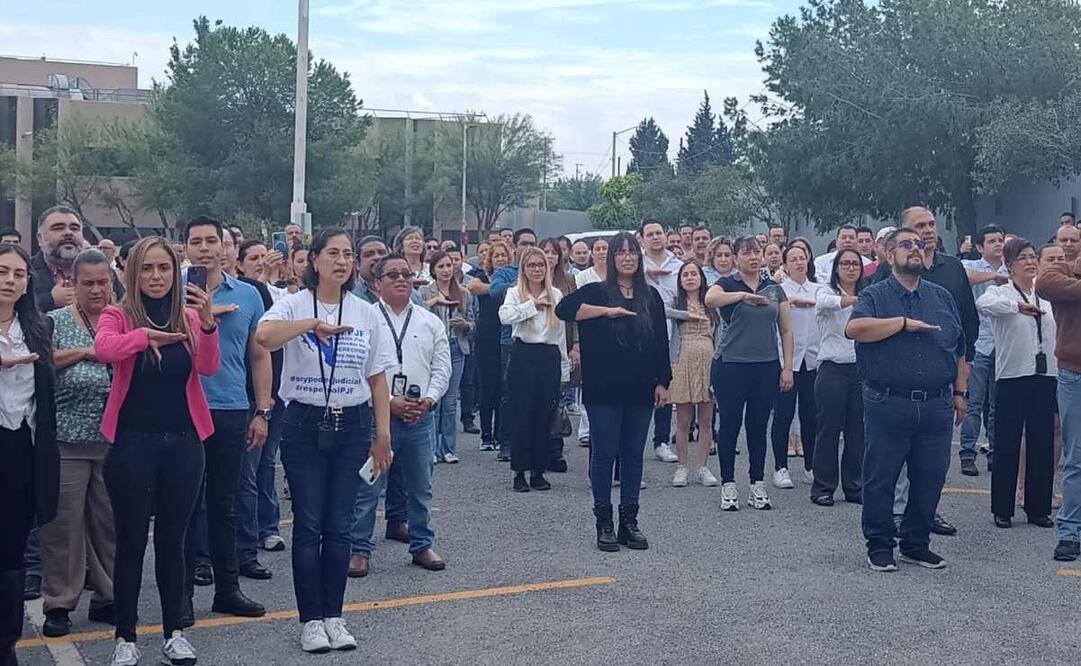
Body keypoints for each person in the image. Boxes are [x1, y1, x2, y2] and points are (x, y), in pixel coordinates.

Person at [255, 229, 395, 653]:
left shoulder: (366, 312)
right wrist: (310, 325)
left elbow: (377, 378)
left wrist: (382, 436)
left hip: (352, 425)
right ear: (313, 260)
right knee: (309, 524)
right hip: (303, 423)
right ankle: (310, 619)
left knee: (341, 527)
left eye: (348, 254)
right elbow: (263, 338)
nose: (341, 261)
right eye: (332, 253)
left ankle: (334, 615)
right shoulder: (294, 304)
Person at [95, 237, 219, 666]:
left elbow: (207, 367)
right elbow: (104, 349)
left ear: (175, 272)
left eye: (164, 268)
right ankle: (125, 637)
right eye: (147, 269)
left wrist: (205, 324)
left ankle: (174, 632)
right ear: (133, 273)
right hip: (132, 443)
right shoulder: (117, 314)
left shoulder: (186, 317)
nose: (156, 277)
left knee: (173, 541)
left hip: (184, 443)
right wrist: (141, 336)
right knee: (130, 542)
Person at [846, 228, 967, 573]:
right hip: (889, 402)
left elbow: (958, 348)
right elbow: (855, 330)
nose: (916, 249)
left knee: (930, 477)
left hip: (936, 404)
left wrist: (960, 393)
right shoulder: (875, 295)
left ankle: (916, 544)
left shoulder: (941, 297)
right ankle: (880, 544)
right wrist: (901, 324)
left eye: (919, 244)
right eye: (906, 245)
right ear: (888, 254)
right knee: (881, 478)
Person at [556, 232, 670, 552]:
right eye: (620, 253)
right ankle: (603, 521)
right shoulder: (594, 291)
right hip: (604, 386)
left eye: (632, 252)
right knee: (604, 454)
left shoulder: (652, 297)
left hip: (641, 386)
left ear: (639, 256)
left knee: (634, 455)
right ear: (611, 258)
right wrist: (606, 312)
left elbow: (661, 341)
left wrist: (663, 381)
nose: (627, 258)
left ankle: (629, 521)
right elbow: (563, 311)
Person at [868, 207, 978, 537]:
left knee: (931, 464)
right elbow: (866, 321)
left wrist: (962, 382)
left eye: (930, 224)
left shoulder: (952, 268)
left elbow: (966, 322)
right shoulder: (890, 273)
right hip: (896, 385)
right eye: (919, 227)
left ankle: (926, 514)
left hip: (940, 380)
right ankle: (897, 514)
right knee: (894, 461)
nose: (927, 231)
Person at [181, 217, 270, 623]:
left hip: (232, 408)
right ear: (184, 248)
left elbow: (259, 355)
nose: (203, 248)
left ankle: (228, 589)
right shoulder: (169, 290)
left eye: (210, 241)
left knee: (225, 503)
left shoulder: (250, 295)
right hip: (180, 408)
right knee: (181, 504)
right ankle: (180, 593)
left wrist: (262, 410)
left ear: (224, 247)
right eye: (195, 241)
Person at [350, 254, 450, 578]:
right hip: (378, 415)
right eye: (392, 274)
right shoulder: (364, 319)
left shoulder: (429, 320)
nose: (401, 279)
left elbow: (442, 366)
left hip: (420, 417)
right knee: (368, 486)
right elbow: (356, 370)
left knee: (421, 486)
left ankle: (422, 545)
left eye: (406, 274)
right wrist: (389, 401)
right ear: (377, 283)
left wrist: (430, 400)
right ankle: (359, 550)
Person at [39, 250, 116, 639]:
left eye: (103, 282)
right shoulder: (53, 322)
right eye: (88, 283)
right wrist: (87, 351)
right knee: (62, 527)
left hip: (114, 441)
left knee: (109, 524)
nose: (97, 289)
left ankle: (108, 596)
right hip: (66, 441)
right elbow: (42, 361)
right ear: (73, 283)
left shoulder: (123, 319)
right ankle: (59, 602)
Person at [0, 244, 59, 666]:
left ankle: (6, 643)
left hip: (24, 446)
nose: (10, 280)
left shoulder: (37, 327)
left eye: (18, 274)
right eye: (2, 272)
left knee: (13, 548)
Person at [706, 237, 794, 511]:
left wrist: (787, 366)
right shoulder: (728, 284)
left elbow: (786, 330)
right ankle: (728, 483)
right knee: (730, 425)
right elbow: (710, 298)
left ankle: (757, 482)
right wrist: (742, 296)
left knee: (758, 426)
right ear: (736, 257)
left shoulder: (774, 288)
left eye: (757, 252)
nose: (753, 257)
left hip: (765, 365)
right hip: (730, 365)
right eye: (746, 253)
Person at [977, 238, 1057, 529]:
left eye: (1033, 256)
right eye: (1023, 257)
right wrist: (1017, 306)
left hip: (1045, 374)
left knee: (1041, 441)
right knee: (1008, 442)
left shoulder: (1046, 295)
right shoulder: (1000, 293)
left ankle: (1038, 507)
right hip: (1013, 374)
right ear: (1010, 265)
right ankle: (1002, 507)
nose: (1030, 261)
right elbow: (984, 304)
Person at [499, 247, 569, 491]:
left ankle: (539, 470)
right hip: (523, 355)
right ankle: (520, 471)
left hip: (548, 356)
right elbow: (505, 316)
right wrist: (532, 305)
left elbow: (560, 333)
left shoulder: (557, 294)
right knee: (522, 415)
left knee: (544, 415)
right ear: (524, 269)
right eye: (532, 265)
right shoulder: (515, 292)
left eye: (541, 265)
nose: (537, 269)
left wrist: (564, 367)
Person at [1035, 236, 1081, 562]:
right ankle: (1069, 532)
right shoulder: (1058, 272)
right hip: (1073, 374)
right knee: (1075, 459)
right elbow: (1043, 284)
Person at [812, 249, 865, 506]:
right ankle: (823, 487)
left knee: (858, 432)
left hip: (861, 370)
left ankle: (854, 486)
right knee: (828, 430)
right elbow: (823, 304)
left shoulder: (869, 293)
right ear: (836, 268)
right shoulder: (826, 291)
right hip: (832, 369)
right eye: (845, 264)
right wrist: (854, 300)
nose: (851, 268)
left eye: (855, 264)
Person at [959, 225, 1009, 476]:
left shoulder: (1011, 268)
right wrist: (993, 277)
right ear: (980, 247)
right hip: (979, 343)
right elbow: (963, 277)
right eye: (992, 241)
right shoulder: (973, 266)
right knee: (974, 402)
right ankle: (967, 452)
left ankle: (994, 451)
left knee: (998, 404)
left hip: (1004, 343)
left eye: (1001, 240)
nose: (998, 244)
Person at [771, 243, 821, 489]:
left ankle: (811, 465)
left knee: (811, 416)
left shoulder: (819, 288)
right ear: (785, 264)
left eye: (802, 258)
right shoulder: (778, 290)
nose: (799, 262)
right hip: (786, 360)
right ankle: (781, 467)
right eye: (793, 259)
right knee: (783, 414)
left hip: (812, 360)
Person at [667, 261, 720, 488]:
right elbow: (662, 311)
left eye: (694, 274)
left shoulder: (710, 304)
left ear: (701, 277)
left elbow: (720, 334)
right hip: (682, 359)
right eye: (685, 274)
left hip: (708, 359)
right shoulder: (676, 302)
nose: (690, 278)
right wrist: (687, 315)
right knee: (682, 420)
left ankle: (703, 466)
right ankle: (682, 467)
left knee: (706, 420)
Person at [488, 228, 538, 461]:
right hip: (511, 340)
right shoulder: (506, 273)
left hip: (541, 341)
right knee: (510, 392)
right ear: (515, 247)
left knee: (539, 394)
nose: (528, 248)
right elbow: (495, 292)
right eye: (524, 243)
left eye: (532, 243)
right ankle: (506, 441)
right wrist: (526, 292)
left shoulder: (543, 272)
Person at [420, 251, 474, 464]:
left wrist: (465, 325)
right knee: (434, 400)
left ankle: (448, 449)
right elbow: (415, 313)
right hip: (432, 349)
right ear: (433, 269)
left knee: (451, 402)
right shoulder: (425, 291)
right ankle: (431, 449)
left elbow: (473, 322)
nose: (445, 270)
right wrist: (433, 302)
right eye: (441, 266)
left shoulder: (464, 293)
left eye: (449, 265)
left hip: (456, 346)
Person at [640, 220, 682, 463]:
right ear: (642, 238)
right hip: (639, 333)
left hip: (669, 334)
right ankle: (637, 442)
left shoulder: (677, 266)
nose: (655, 237)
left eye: (659, 233)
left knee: (665, 385)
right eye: (650, 234)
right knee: (640, 390)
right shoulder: (636, 264)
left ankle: (662, 441)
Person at [30, 206, 121, 313]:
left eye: (74, 228)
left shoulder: (104, 272)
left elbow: (126, 310)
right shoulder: (26, 271)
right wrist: (50, 300)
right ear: (40, 238)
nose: (68, 233)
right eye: (58, 228)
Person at [468, 240, 511, 450]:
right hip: (485, 338)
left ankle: (500, 434)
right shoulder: (481, 278)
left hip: (505, 337)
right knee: (487, 387)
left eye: (504, 255)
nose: (501, 259)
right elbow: (473, 287)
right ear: (489, 259)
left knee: (504, 388)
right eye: (497, 255)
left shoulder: (513, 279)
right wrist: (498, 288)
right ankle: (486, 435)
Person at [540, 238, 578, 472]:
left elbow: (575, 315)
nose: (551, 256)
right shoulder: (530, 280)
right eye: (546, 252)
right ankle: (538, 449)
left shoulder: (569, 280)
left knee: (559, 399)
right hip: (539, 343)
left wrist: (576, 344)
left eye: (554, 252)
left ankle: (556, 449)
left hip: (562, 342)